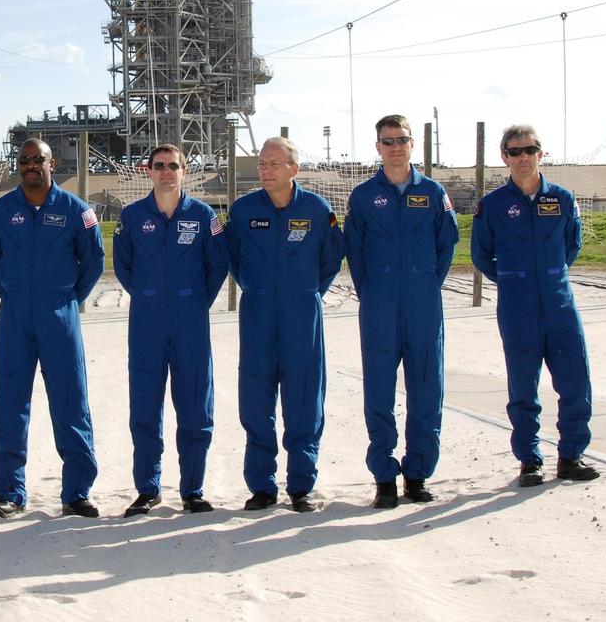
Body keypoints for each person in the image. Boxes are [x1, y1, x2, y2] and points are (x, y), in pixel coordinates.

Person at [470, 124, 600, 488]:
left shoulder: (561, 198)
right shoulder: (492, 206)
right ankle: (530, 460)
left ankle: (572, 454)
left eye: (529, 150)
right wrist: (515, 279)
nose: (522, 157)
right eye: (514, 151)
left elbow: (572, 246)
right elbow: (481, 255)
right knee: (523, 387)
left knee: (575, 380)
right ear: (504, 157)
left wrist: (548, 277)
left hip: (559, 302)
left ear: (541, 154)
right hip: (517, 305)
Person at [0, 139, 105, 518]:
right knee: (10, 404)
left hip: (59, 311)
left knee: (71, 401)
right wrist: (14, 293)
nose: (31, 165)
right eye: (24, 160)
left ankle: (77, 492)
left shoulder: (77, 211)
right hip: (15, 313)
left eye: (38, 159)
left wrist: (66, 297)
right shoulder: (0, 211)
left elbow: (93, 262)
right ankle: (11, 493)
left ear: (52, 163)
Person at [224, 137, 344, 513]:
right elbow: (233, 258)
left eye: (275, 164)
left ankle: (301, 486)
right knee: (256, 402)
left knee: (305, 399)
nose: (266, 170)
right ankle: (262, 485)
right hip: (258, 313)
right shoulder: (243, 211)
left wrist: (304, 293)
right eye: (262, 164)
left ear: (294, 168)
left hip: (302, 314)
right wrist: (257, 289)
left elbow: (330, 259)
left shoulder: (316, 209)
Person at [345, 115, 458, 509]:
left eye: (402, 140)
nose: (395, 147)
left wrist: (425, 282)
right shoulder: (363, 196)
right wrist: (373, 290)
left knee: (427, 387)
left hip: (423, 302)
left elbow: (447, 244)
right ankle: (384, 476)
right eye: (387, 140)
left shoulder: (433, 192)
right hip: (378, 303)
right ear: (377, 146)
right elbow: (354, 252)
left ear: (413, 145)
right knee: (378, 389)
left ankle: (417, 472)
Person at [113, 144, 229, 517]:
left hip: (190, 321)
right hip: (146, 321)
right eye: (159, 166)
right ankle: (148, 489)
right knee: (145, 406)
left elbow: (217, 266)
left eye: (173, 166)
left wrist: (193, 301)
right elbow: (124, 267)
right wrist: (150, 297)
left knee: (195, 404)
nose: (166, 172)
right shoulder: (132, 217)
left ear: (184, 171)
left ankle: (192, 490)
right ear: (148, 171)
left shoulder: (203, 214)